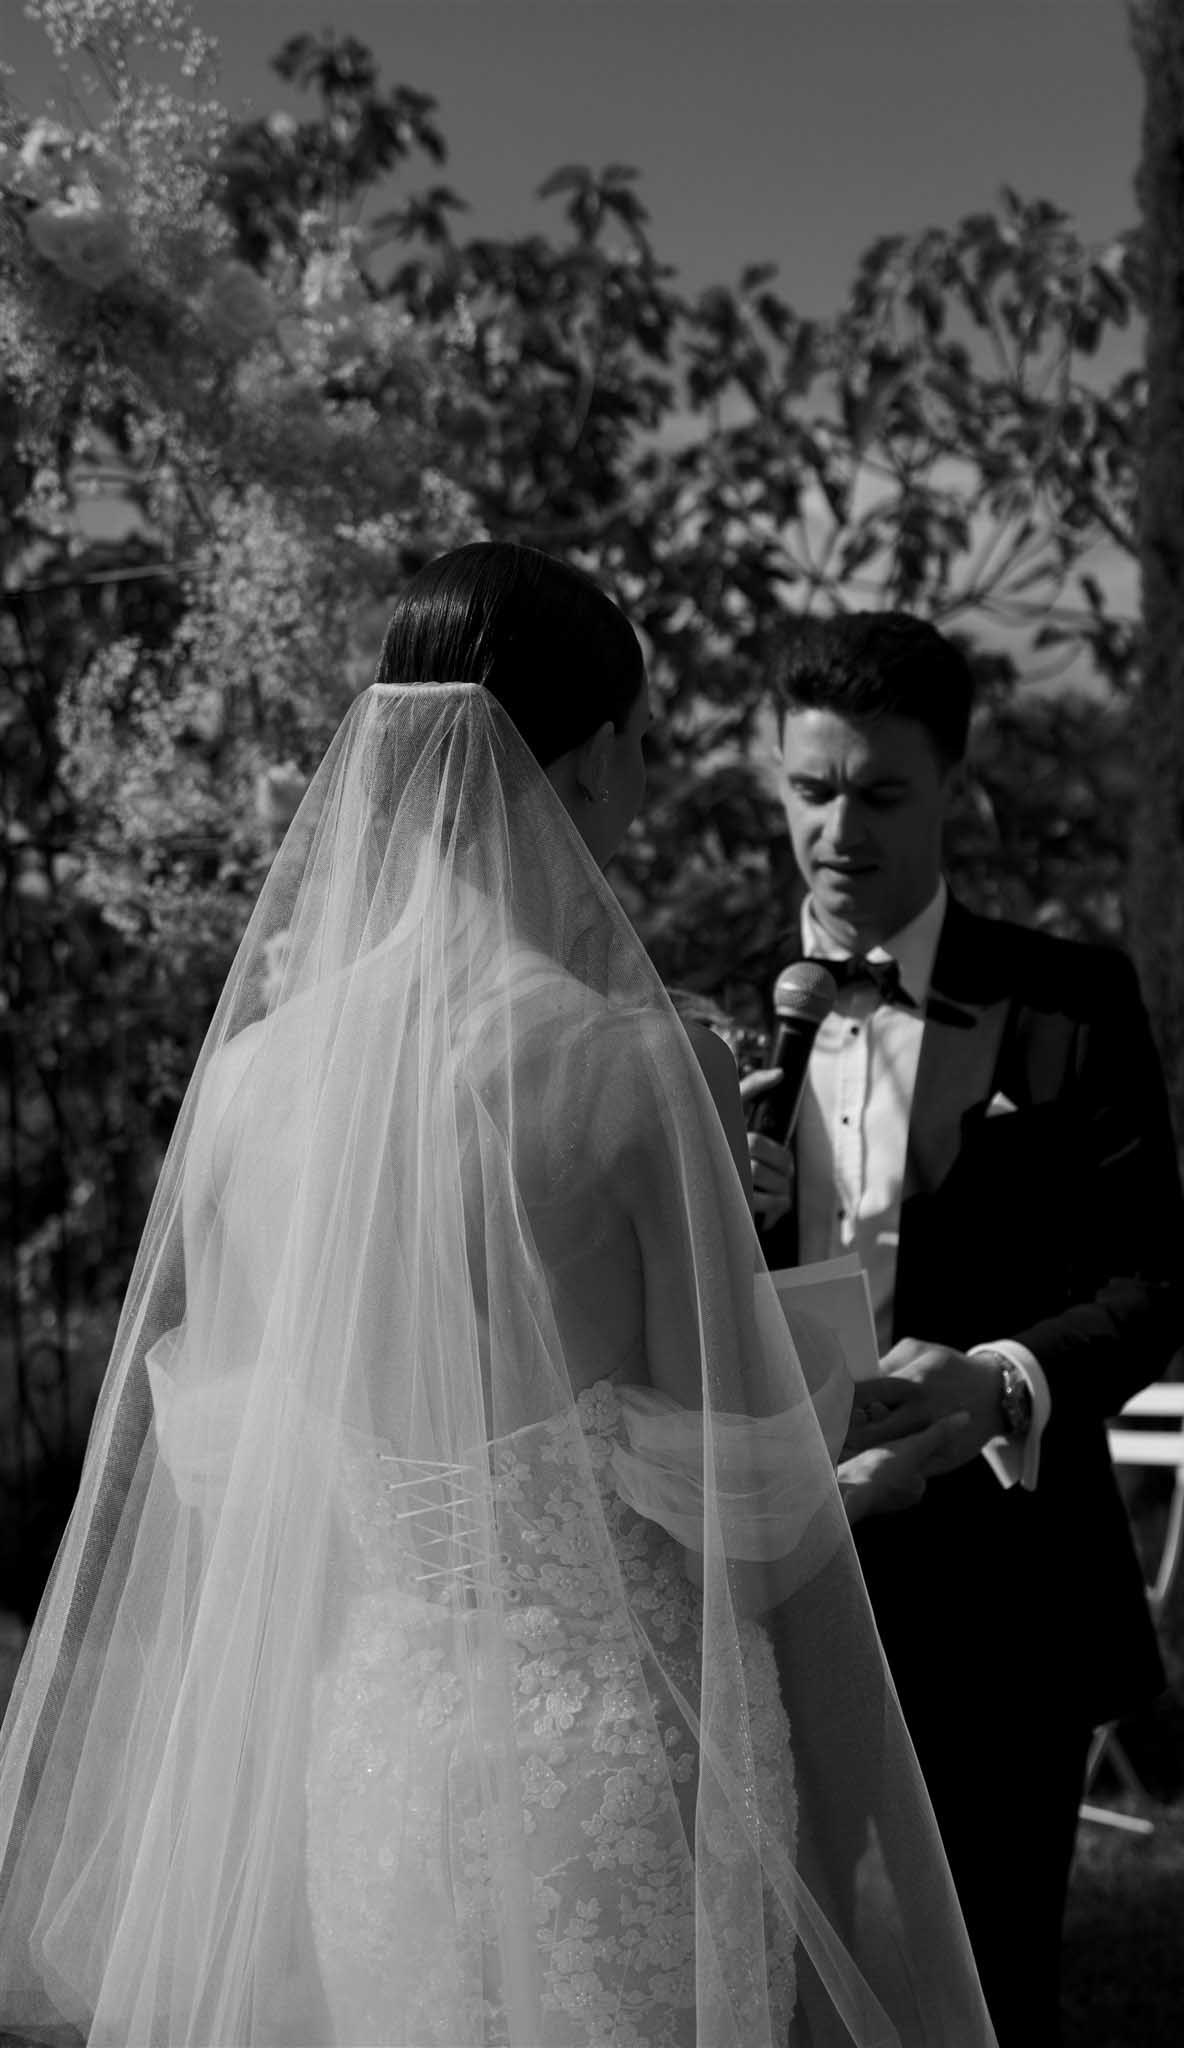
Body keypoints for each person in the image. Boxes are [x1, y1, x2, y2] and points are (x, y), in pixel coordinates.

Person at [0, 545, 996, 2048]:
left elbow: (254, 1482)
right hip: (607, 1765)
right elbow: (743, 1501)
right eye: (646, 744)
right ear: (595, 759)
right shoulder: (632, 1065)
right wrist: (869, 1454)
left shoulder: (255, 1080)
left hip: (377, 1749)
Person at [742, 612, 1184, 2048]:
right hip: (774, 1570)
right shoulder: (692, 1011)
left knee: (993, 1990)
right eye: (810, 790)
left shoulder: (1070, 1003)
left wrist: (1000, 1381)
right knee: (769, 1979)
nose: (836, 829)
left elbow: (1149, 1284)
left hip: (1005, 1591)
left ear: (951, 785)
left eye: (877, 794)